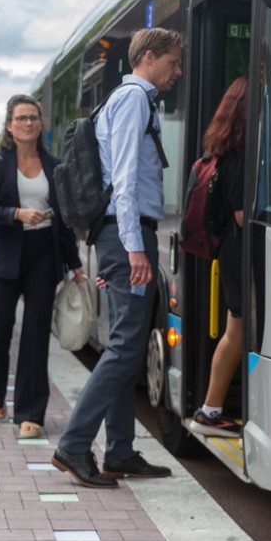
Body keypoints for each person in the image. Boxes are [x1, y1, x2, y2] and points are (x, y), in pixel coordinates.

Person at [51, 27, 182, 488]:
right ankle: (73, 444)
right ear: (149, 57)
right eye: (173, 61)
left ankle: (121, 451)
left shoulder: (133, 101)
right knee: (128, 344)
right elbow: (124, 181)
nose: (178, 70)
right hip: (127, 237)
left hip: (123, 236)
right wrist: (132, 248)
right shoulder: (132, 101)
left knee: (126, 343)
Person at [0, 94, 84, 439]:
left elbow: (64, 218)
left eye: (33, 118)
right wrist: (14, 214)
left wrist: (75, 263)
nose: (28, 123)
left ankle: (30, 413)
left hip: (43, 255)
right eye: (21, 118)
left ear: (41, 125)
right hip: (4, 253)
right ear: (9, 125)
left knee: (36, 337)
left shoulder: (54, 166)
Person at [188, 76, 248, 437]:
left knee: (236, 332)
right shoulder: (241, 156)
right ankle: (210, 412)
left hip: (230, 250)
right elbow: (243, 216)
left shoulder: (223, 152)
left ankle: (211, 410)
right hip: (240, 251)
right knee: (238, 332)